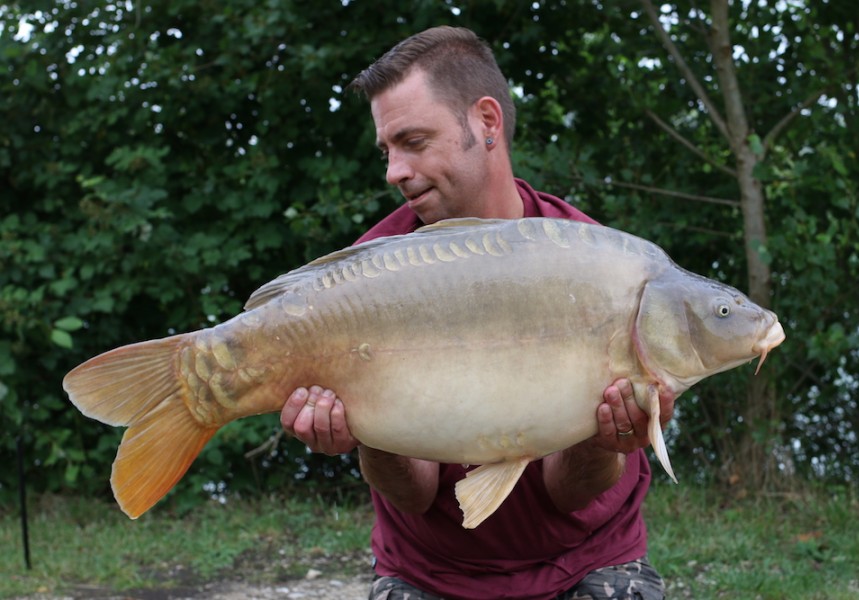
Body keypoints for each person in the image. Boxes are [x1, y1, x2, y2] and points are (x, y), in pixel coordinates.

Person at [280, 26, 673, 600]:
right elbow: (413, 494)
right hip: (430, 573)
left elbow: (568, 494)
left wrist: (605, 437)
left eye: (413, 141)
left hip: (584, 563)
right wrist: (364, 428)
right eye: (387, 150)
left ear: (486, 123)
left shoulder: (606, 273)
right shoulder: (366, 280)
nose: (393, 171)